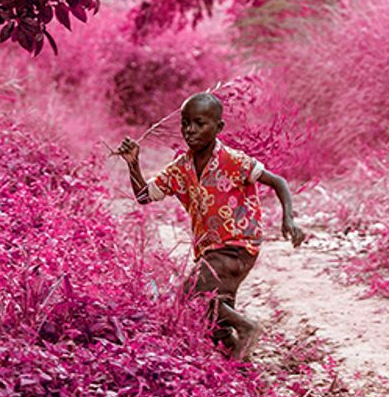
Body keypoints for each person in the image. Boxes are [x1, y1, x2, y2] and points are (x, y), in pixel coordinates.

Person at [115, 92, 306, 359]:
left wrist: (289, 219)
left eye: (199, 123)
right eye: (185, 123)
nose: (190, 130)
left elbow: (279, 182)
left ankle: (248, 328)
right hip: (209, 249)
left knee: (190, 293)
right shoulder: (180, 169)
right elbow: (144, 196)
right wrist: (133, 162)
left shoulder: (233, 160)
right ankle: (236, 354)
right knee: (215, 314)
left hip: (238, 244)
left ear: (218, 127)